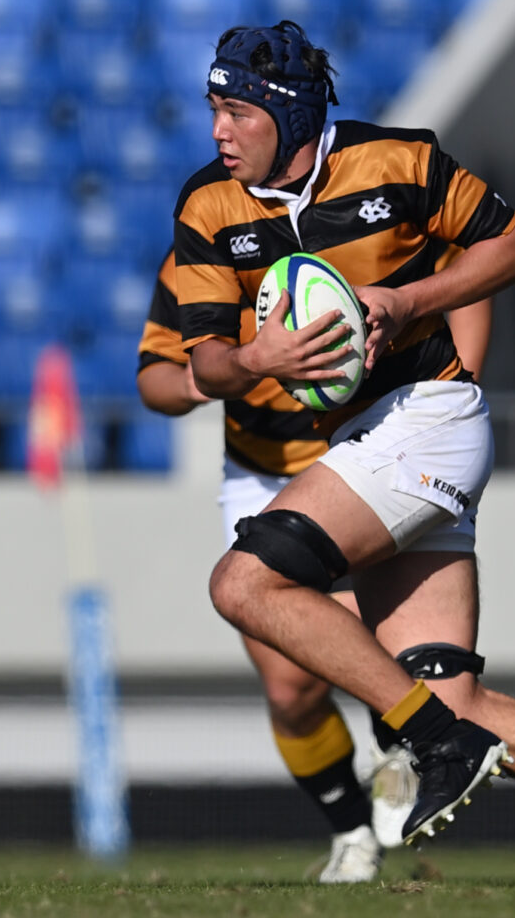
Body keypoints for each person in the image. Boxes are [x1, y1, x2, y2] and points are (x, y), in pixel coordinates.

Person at [172, 19, 515, 884]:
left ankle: (441, 747)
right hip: (366, 437)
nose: (219, 130)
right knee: (453, 697)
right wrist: (255, 360)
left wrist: (407, 302)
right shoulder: (208, 204)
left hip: (427, 417)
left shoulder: (400, 162)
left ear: (290, 116)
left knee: (242, 584)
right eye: (214, 110)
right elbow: (203, 358)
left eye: (238, 112)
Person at [138, 246, 489, 881]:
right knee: (290, 687)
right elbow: (154, 378)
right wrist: (216, 376)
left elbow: (467, 273)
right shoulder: (203, 247)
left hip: (372, 451)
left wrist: (452, 385)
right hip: (261, 471)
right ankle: (353, 831)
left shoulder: (361, 218)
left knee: (374, 644)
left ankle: (403, 740)